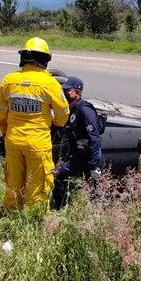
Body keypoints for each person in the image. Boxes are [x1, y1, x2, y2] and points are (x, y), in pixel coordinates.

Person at [0, 37, 70, 212]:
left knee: (13, 182)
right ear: (44, 60)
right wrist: (56, 123)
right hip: (38, 143)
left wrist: (6, 131)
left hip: (13, 141)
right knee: (37, 184)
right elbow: (63, 114)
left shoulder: (9, 80)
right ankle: (33, 218)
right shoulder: (50, 83)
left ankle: (11, 216)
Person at [52, 76, 102, 209]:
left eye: (67, 91)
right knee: (91, 186)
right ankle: (65, 207)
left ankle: (61, 208)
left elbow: (94, 138)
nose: (64, 93)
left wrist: (93, 165)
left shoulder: (85, 110)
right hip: (77, 153)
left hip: (86, 156)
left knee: (58, 175)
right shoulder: (70, 109)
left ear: (77, 92)